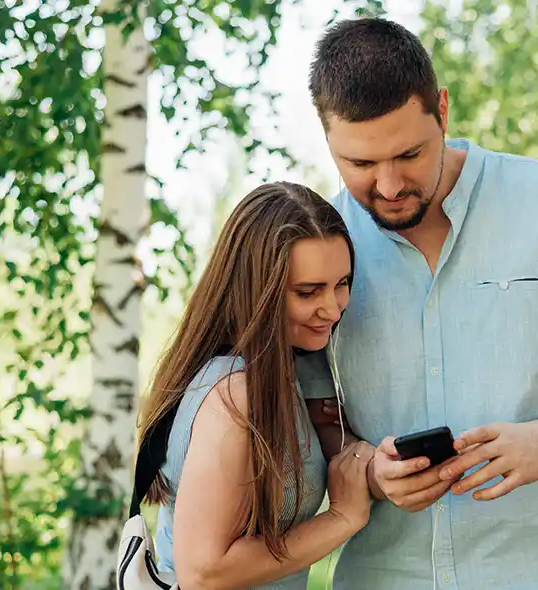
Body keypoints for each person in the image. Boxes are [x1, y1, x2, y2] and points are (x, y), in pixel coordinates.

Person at [295, 17, 538, 590]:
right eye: (361, 165)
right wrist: (368, 469)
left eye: (410, 154)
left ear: (442, 109)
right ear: (327, 140)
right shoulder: (319, 245)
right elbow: (317, 410)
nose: (391, 185)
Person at [135, 181, 375, 589]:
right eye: (307, 291)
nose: (333, 308)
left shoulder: (279, 371)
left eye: (342, 283)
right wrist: (342, 518)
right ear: (256, 289)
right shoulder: (233, 393)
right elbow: (204, 573)